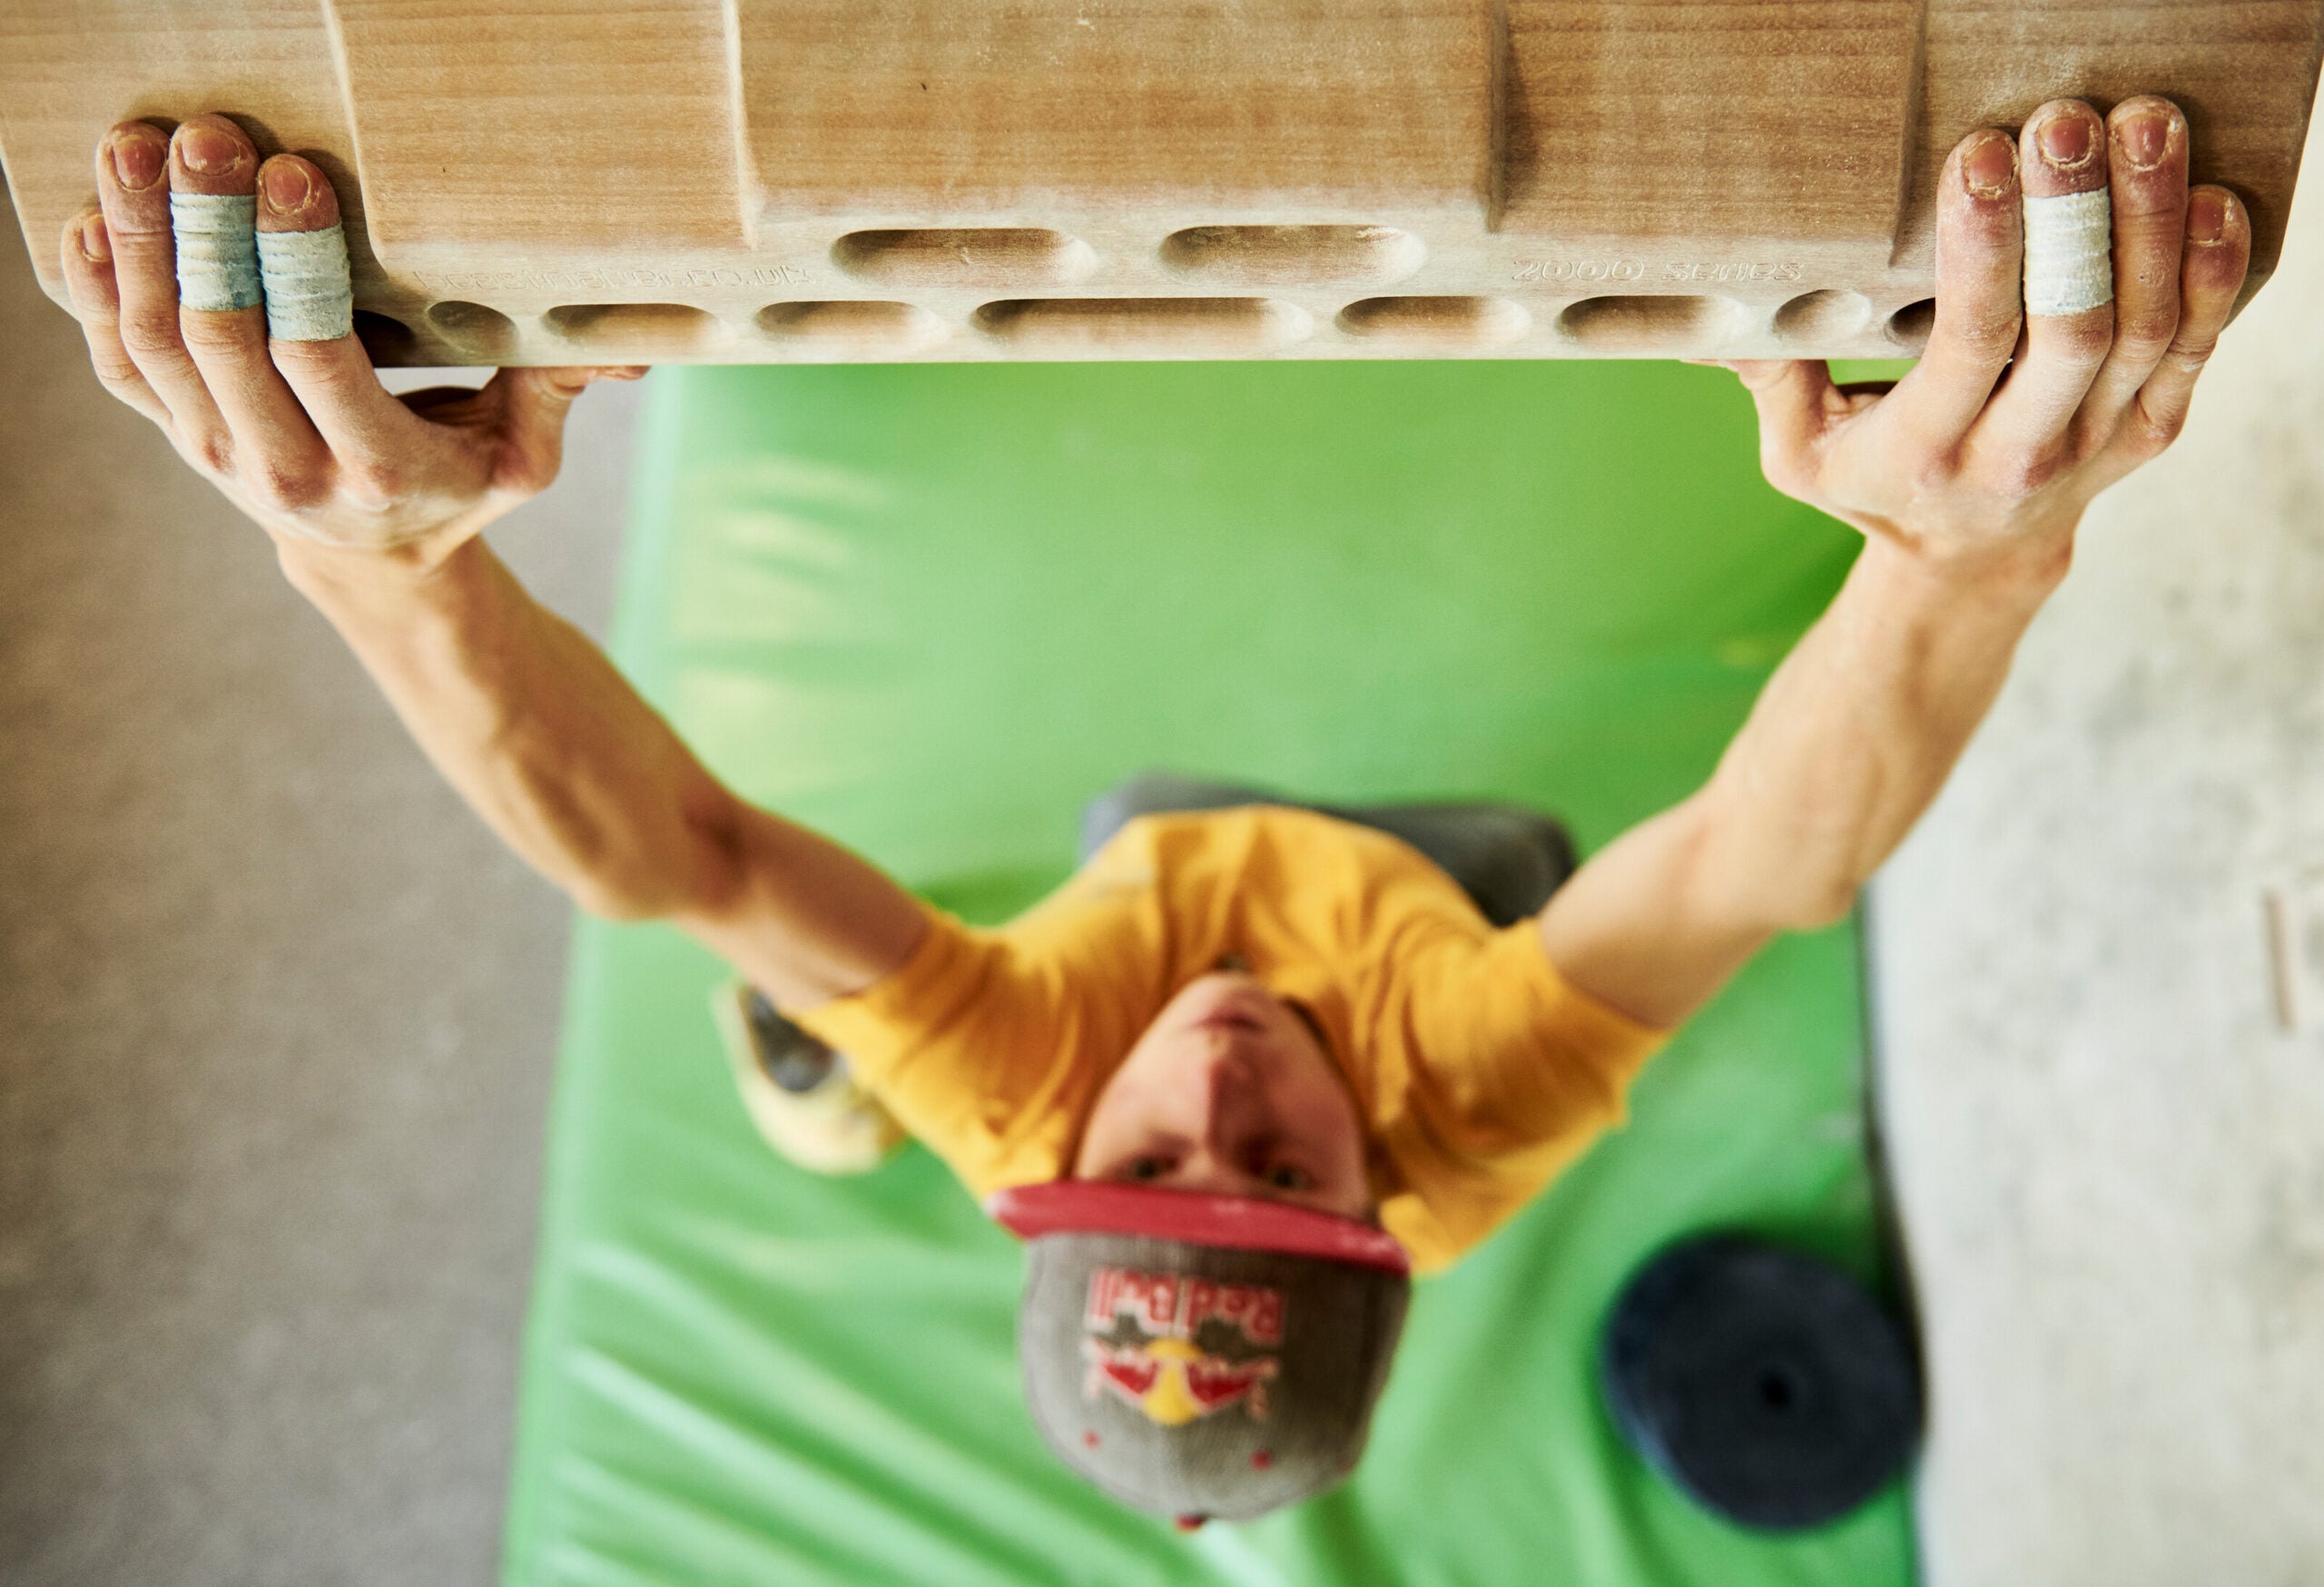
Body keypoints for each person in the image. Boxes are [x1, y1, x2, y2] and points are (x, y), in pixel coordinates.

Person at [58, 96, 2249, 1525]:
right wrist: (1965, 557)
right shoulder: (1458, 1102)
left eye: (1152, 1161)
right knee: (1522, 865)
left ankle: (825, 1067)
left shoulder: (1025, 1081)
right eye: (1277, 1166)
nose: (1209, 1079)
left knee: (844, 952)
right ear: (1377, 1190)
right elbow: (1761, 860)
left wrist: (370, 564)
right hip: (1424, 895)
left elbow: (684, 859)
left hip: (1131, 880)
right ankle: (848, 1053)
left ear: (1055, 1167)